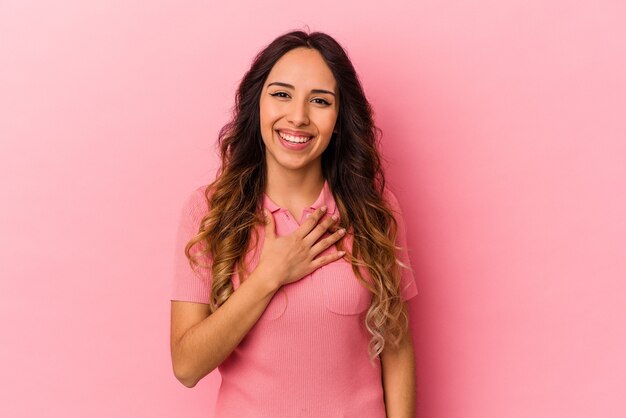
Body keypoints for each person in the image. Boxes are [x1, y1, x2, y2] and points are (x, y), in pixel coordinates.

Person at [170, 29, 418, 418]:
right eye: (281, 94)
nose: (298, 117)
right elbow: (186, 367)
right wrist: (270, 275)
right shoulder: (208, 210)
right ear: (257, 105)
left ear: (338, 119)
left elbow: (397, 346)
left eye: (319, 101)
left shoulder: (375, 210)